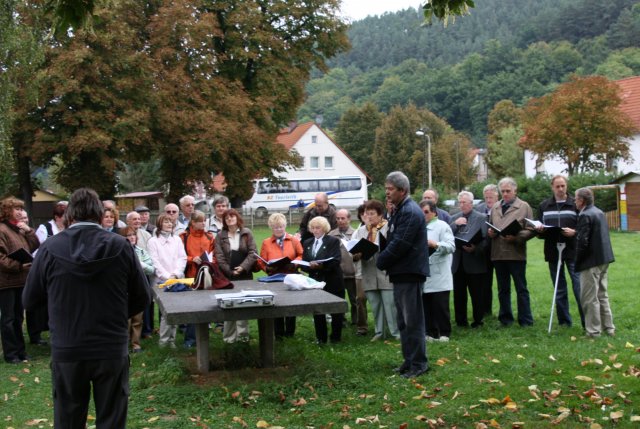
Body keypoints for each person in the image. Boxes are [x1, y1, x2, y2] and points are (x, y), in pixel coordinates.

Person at [23, 188, 150, 428]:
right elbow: (141, 296)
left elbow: (30, 300)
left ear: (70, 214)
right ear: (100, 214)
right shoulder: (120, 246)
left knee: (69, 418)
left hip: (70, 345)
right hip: (109, 345)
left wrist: (59, 315)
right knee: (111, 418)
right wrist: (115, 316)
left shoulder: (50, 248)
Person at [376, 171, 429, 379]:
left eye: (390, 189)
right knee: (403, 321)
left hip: (409, 271)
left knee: (412, 320)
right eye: (386, 188)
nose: (387, 193)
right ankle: (409, 361)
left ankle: (419, 364)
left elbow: (401, 243)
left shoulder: (410, 211)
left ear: (402, 190)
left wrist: (380, 260)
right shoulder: (399, 209)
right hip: (401, 272)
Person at [535, 175, 584, 328]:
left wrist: (574, 232)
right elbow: (538, 231)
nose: (561, 189)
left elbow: (584, 229)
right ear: (552, 187)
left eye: (563, 186)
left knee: (578, 286)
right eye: (558, 186)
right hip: (553, 251)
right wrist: (540, 230)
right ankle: (564, 321)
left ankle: (586, 321)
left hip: (572, 251)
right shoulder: (544, 206)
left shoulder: (574, 204)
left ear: (566, 186)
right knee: (559, 287)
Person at [487, 177, 535, 327]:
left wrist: (516, 237)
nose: (505, 194)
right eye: (503, 191)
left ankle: (525, 320)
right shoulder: (495, 207)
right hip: (498, 254)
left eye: (508, 191)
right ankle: (505, 319)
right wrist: (491, 233)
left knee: (521, 288)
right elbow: (491, 225)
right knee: (503, 289)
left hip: (516, 254)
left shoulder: (524, 206)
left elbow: (531, 229)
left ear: (515, 190)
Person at [0, 197, 39, 363]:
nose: (21, 212)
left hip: (21, 280)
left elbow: (35, 245)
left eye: (22, 209)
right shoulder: (2, 230)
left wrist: (28, 231)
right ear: (7, 211)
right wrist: (17, 266)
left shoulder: (18, 229)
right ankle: (11, 354)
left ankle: (21, 351)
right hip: (6, 282)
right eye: (17, 209)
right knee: (8, 319)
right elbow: (1, 258)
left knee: (18, 318)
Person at [573, 187, 615, 338]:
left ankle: (593, 332)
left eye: (576, 198)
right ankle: (609, 328)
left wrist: (577, 261)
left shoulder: (585, 215)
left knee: (589, 298)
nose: (575, 201)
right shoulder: (598, 211)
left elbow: (582, 242)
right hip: (604, 258)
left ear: (582, 200)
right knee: (602, 295)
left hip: (590, 261)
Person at [353, 200, 397, 341]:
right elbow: (353, 249)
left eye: (372, 214)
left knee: (390, 305)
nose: (369, 217)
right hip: (368, 272)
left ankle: (395, 332)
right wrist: (355, 254)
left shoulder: (388, 227)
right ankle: (379, 332)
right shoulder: (360, 231)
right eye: (366, 214)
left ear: (380, 215)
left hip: (385, 272)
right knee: (375, 305)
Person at [300, 216, 345, 344]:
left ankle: (336, 337)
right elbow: (304, 262)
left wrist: (321, 265)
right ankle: (321, 338)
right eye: (313, 228)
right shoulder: (307, 242)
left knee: (336, 310)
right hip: (315, 281)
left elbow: (336, 260)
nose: (315, 230)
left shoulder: (333, 241)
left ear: (324, 228)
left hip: (332, 280)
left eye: (318, 227)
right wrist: (307, 266)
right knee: (318, 310)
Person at [215, 209, 257, 343]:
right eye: (226, 217)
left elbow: (253, 252)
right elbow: (219, 256)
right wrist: (230, 271)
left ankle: (243, 337)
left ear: (237, 218)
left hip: (244, 275)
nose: (229, 219)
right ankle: (229, 338)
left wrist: (242, 268)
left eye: (232, 216)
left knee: (243, 305)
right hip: (227, 276)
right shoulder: (220, 235)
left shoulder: (246, 233)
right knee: (228, 305)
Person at [258, 213, 303, 338]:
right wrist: (267, 267)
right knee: (276, 303)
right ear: (271, 228)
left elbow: (301, 254)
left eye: (281, 227)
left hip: (291, 276)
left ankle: (290, 332)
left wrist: (294, 264)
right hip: (274, 277)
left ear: (285, 226)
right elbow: (261, 260)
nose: (279, 229)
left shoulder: (293, 240)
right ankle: (278, 333)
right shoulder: (266, 242)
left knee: (291, 305)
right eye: (276, 227)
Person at [29, 201, 68, 346]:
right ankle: (38, 334)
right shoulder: (45, 228)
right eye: (65, 216)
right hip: (48, 271)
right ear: (58, 217)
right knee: (46, 305)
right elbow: (36, 251)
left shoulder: (69, 229)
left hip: (64, 271)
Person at [147, 213, 187, 347]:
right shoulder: (153, 241)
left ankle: (172, 340)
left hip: (176, 279)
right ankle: (164, 342)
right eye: (166, 222)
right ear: (159, 224)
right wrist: (167, 276)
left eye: (171, 222)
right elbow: (155, 262)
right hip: (161, 281)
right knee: (166, 312)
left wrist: (175, 274)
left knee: (175, 311)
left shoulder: (177, 239)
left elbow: (182, 258)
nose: (170, 224)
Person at [450, 191, 488, 328]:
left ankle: (478, 320)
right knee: (459, 294)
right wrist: (455, 224)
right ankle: (461, 321)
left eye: (464, 202)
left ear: (471, 203)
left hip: (475, 261)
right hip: (458, 262)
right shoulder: (454, 217)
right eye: (460, 202)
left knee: (477, 293)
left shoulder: (482, 217)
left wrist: (475, 249)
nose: (462, 205)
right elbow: (447, 234)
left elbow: (486, 240)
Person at [178, 210, 214, 348]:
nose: (203, 223)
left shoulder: (210, 237)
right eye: (200, 221)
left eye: (204, 220)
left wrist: (209, 262)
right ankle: (190, 340)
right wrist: (193, 259)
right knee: (193, 308)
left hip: (206, 276)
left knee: (206, 307)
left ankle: (204, 339)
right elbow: (179, 256)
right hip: (190, 277)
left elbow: (214, 254)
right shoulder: (183, 237)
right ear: (192, 222)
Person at [420, 199, 455, 342]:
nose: (424, 215)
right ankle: (430, 332)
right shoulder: (419, 227)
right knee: (426, 306)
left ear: (434, 212)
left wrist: (435, 244)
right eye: (421, 212)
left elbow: (451, 246)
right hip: (424, 273)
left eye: (426, 212)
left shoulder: (442, 226)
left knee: (440, 306)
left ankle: (444, 333)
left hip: (440, 274)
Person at [329, 209, 366, 332]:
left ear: (349, 219)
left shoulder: (355, 233)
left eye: (343, 218)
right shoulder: (331, 235)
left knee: (355, 299)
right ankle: (341, 319)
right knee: (339, 299)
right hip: (337, 273)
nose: (340, 221)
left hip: (352, 272)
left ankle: (355, 320)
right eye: (338, 218)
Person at [121, 226, 155, 353]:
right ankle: (124, 343)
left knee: (138, 318)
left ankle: (136, 343)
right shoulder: (119, 251)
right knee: (126, 319)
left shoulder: (141, 251)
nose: (131, 237)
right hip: (124, 288)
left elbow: (151, 269)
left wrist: (140, 264)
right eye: (128, 236)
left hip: (138, 287)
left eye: (133, 235)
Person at [475, 184, 499, 316]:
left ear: (497, 196)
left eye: (491, 197)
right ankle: (486, 309)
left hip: (499, 248)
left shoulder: (501, 208)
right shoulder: (479, 209)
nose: (488, 200)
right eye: (486, 197)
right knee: (485, 281)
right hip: (483, 250)